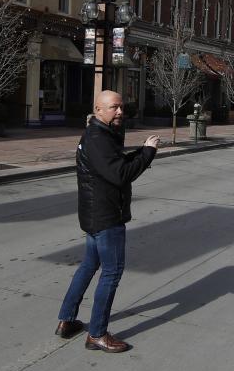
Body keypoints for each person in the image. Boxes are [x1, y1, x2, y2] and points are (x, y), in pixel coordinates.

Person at [55, 90, 159, 353]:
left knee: (89, 265)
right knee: (111, 273)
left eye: (121, 107)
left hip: (96, 214)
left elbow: (115, 163)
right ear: (98, 110)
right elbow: (120, 175)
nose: (120, 112)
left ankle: (66, 321)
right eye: (114, 107)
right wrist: (147, 154)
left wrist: (141, 151)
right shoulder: (98, 138)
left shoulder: (101, 134)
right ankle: (97, 334)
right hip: (105, 216)